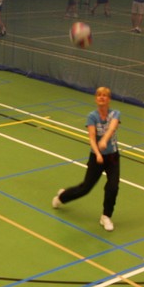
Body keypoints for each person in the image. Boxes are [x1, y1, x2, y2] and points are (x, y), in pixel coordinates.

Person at [51, 86, 120, 232]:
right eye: (99, 95)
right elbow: (92, 137)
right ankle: (62, 197)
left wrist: (105, 140)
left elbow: (112, 128)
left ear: (109, 99)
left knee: (113, 187)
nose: (101, 97)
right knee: (85, 188)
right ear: (96, 99)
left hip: (113, 157)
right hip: (96, 157)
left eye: (105, 95)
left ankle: (106, 216)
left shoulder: (115, 114)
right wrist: (98, 153)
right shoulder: (92, 116)